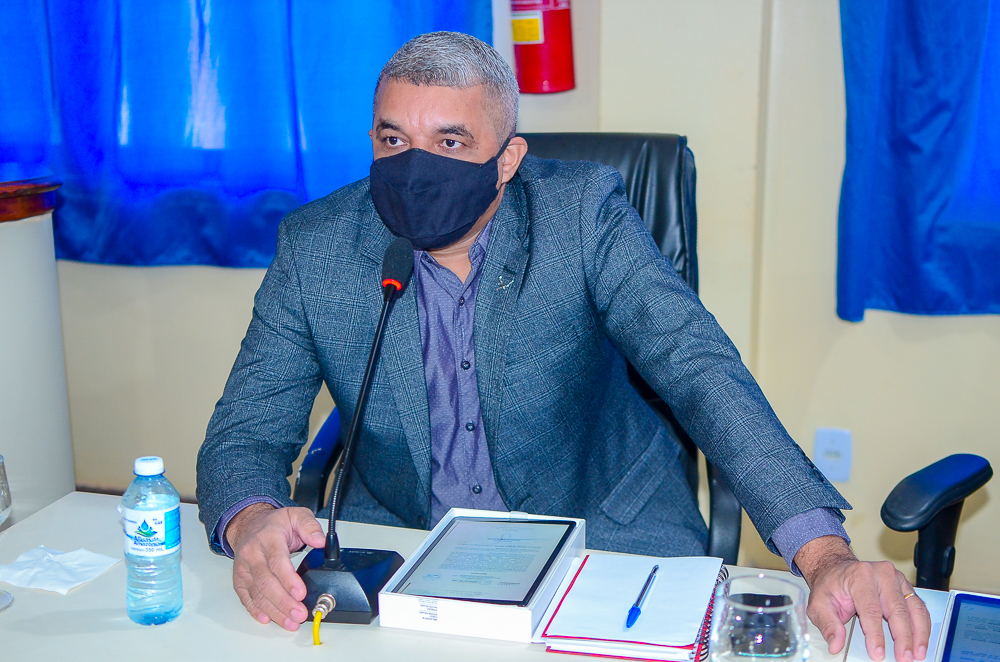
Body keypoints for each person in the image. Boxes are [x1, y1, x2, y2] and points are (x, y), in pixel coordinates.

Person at [196, 31, 929, 662]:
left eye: (450, 142)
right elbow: (244, 432)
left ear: (508, 159)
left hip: (602, 534)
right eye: (394, 140)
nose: (416, 169)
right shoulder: (317, 248)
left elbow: (698, 367)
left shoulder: (580, 215)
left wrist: (823, 554)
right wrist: (249, 518)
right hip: (407, 550)